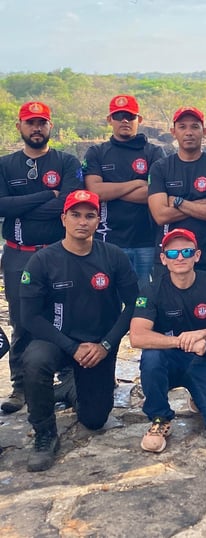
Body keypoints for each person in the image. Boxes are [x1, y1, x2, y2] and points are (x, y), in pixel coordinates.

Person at [20, 190, 138, 471]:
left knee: (94, 420)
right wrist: (71, 347)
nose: (82, 222)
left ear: (98, 221)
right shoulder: (43, 260)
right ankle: (45, 434)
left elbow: (135, 304)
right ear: (63, 219)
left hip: (98, 345)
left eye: (89, 215)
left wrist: (107, 344)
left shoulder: (114, 256)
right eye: (75, 215)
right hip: (57, 339)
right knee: (35, 361)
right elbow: (29, 317)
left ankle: (71, 387)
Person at [0, 101, 83, 414]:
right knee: (22, 318)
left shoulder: (66, 161)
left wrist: (20, 205)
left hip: (59, 253)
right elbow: (1, 207)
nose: (36, 128)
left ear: (51, 126)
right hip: (19, 254)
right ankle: (21, 385)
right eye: (30, 122)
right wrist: (47, 195)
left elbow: (69, 205)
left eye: (42, 123)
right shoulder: (5, 165)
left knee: (66, 314)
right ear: (19, 126)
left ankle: (68, 377)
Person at [147, 106, 206, 385]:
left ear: (204, 131)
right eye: (183, 126)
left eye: (195, 126)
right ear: (173, 132)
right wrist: (204, 203)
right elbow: (159, 214)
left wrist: (177, 201)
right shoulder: (161, 168)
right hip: (171, 255)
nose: (189, 132)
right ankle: (166, 378)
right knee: (164, 317)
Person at [130, 228, 206, 453]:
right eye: (172, 253)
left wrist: (201, 334)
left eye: (186, 252)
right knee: (151, 357)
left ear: (197, 256)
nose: (179, 257)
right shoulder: (152, 289)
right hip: (168, 360)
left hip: (205, 360)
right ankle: (160, 418)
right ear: (163, 259)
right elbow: (137, 336)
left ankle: (199, 395)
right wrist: (182, 341)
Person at [84, 95, 165, 290]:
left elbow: (155, 194)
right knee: (108, 297)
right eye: (119, 116)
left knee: (144, 297)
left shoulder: (154, 152)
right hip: (107, 239)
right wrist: (136, 183)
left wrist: (111, 189)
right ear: (110, 119)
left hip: (146, 241)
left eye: (130, 116)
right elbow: (95, 192)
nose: (125, 121)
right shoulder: (96, 152)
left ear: (139, 119)